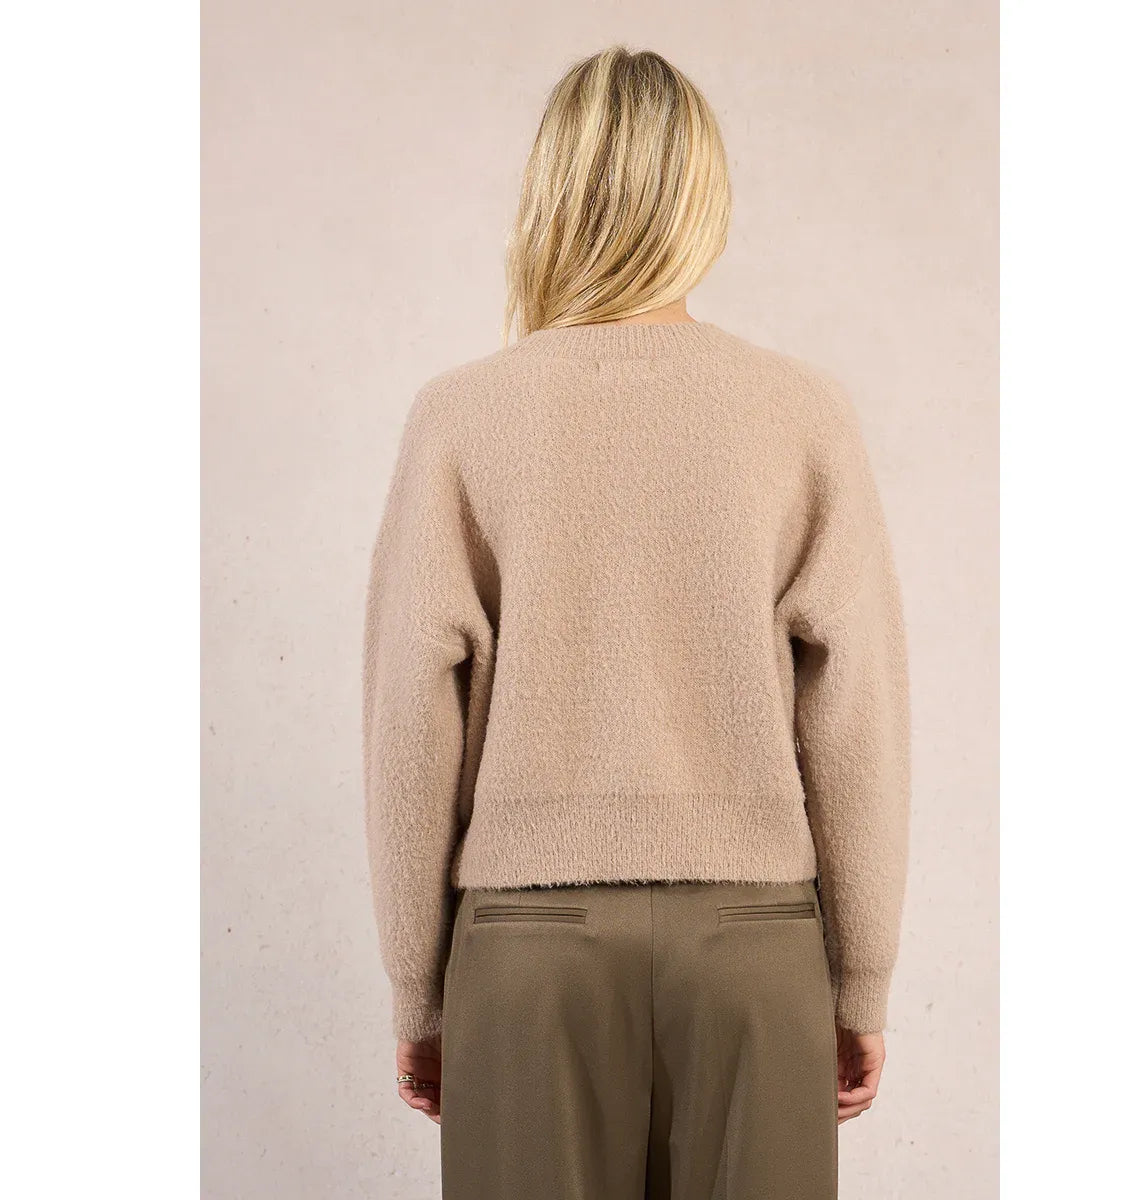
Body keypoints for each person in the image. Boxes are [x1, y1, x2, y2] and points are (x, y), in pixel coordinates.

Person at [363, 44, 910, 1200]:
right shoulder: (802, 414)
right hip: (754, 951)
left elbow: (412, 715)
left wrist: (419, 990)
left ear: (550, 193)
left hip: (528, 956)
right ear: (702, 200)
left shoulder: (460, 417)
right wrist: (860, 978)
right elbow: (856, 711)